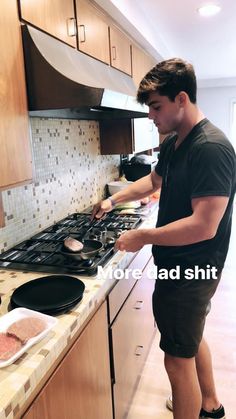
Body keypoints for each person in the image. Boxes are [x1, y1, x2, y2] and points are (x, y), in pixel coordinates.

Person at [92, 58, 236, 419]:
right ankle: (210, 404)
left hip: (193, 270)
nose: (152, 116)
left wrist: (142, 236)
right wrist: (113, 199)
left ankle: (195, 405)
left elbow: (205, 225)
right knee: (187, 340)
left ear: (182, 98)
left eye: (157, 107)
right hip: (179, 266)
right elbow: (154, 182)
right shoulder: (176, 144)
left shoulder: (211, 148)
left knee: (175, 361)